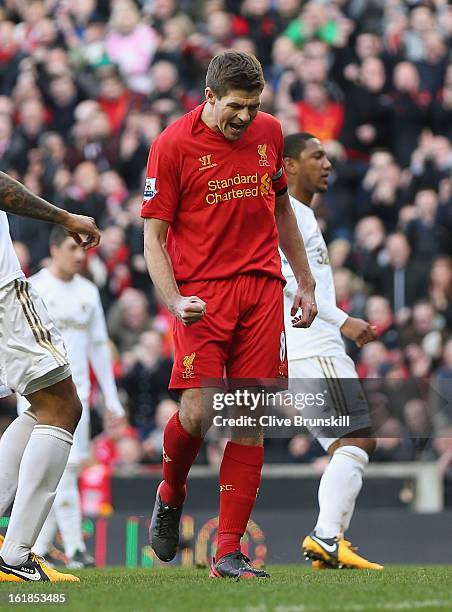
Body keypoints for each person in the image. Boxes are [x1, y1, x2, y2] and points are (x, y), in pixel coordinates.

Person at [141, 51, 317, 579]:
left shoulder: (269, 133)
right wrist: (173, 301)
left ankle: (228, 552)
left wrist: (304, 280)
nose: (245, 117)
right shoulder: (172, 145)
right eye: (236, 106)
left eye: (254, 105)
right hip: (201, 298)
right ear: (209, 97)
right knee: (198, 415)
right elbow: (153, 237)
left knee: (247, 418)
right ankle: (171, 491)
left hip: (262, 288)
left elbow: (282, 208)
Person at [281, 133, 383, 570]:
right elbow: (284, 278)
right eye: (316, 156)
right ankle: (325, 535)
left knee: (347, 443)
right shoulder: (288, 215)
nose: (326, 163)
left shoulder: (303, 215)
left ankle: (329, 540)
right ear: (288, 166)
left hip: (306, 349)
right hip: (313, 346)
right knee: (359, 438)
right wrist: (345, 321)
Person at [0, 170, 99, 582]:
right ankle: (17, 556)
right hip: (3, 293)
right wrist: (64, 217)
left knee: (44, 406)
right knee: (61, 406)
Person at [16, 226, 124, 569]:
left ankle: (41, 547)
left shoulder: (89, 292)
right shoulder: (33, 288)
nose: (80, 255)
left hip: (79, 398)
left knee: (65, 471)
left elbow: (99, 348)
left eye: (83, 250)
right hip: (39, 395)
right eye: (72, 248)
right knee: (47, 472)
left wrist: (112, 398)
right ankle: (75, 548)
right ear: (54, 249)